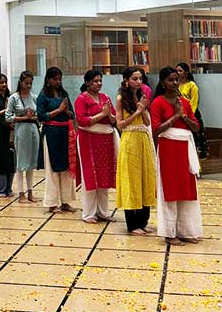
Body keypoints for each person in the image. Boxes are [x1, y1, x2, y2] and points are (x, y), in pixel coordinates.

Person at [151, 67, 202, 245]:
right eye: (170, 80)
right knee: (170, 190)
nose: (174, 83)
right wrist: (175, 116)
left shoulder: (185, 102)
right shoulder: (157, 102)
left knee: (187, 190)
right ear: (162, 82)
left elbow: (196, 127)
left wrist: (184, 117)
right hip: (168, 149)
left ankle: (186, 231)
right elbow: (156, 130)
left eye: (176, 80)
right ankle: (169, 233)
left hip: (185, 148)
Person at [115, 67, 156, 235]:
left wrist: (143, 108)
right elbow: (120, 124)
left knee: (145, 178)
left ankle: (143, 221)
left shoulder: (142, 96)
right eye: (134, 79)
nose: (138, 82)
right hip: (130, 138)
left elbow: (147, 122)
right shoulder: (121, 98)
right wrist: (137, 111)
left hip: (143, 139)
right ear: (126, 80)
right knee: (132, 179)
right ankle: (132, 224)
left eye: (140, 79)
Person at [74, 69, 118, 224]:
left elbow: (114, 118)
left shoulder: (105, 97)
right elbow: (82, 121)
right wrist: (102, 114)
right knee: (90, 177)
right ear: (87, 83)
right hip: (88, 140)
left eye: (100, 81)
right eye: (95, 81)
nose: (99, 83)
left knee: (103, 177)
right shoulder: (81, 99)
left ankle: (103, 212)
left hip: (105, 140)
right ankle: (88, 213)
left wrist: (110, 115)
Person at [37, 67, 76, 213]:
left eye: (60, 79)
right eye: (55, 79)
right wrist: (58, 111)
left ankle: (65, 202)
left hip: (65, 133)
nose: (58, 81)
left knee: (66, 169)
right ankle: (52, 203)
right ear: (48, 79)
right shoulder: (43, 96)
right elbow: (41, 116)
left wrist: (66, 111)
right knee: (52, 170)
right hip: (50, 133)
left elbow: (72, 114)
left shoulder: (63, 94)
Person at [5, 70, 40, 204]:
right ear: (20, 82)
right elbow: (8, 117)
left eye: (30, 83)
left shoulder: (34, 96)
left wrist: (32, 117)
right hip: (20, 130)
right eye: (26, 83)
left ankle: (30, 192)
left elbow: (40, 115)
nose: (29, 86)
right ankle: (21, 193)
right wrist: (24, 117)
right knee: (21, 162)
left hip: (33, 129)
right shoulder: (14, 98)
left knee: (31, 162)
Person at [175, 62, 208, 160]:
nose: (177, 73)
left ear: (186, 72)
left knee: (196, 138)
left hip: (191, 114)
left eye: (180, 71)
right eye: (176, 71)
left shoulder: (192, 85)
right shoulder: (176, 84)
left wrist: (189, 115)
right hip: (179, 113)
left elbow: (194, 101)